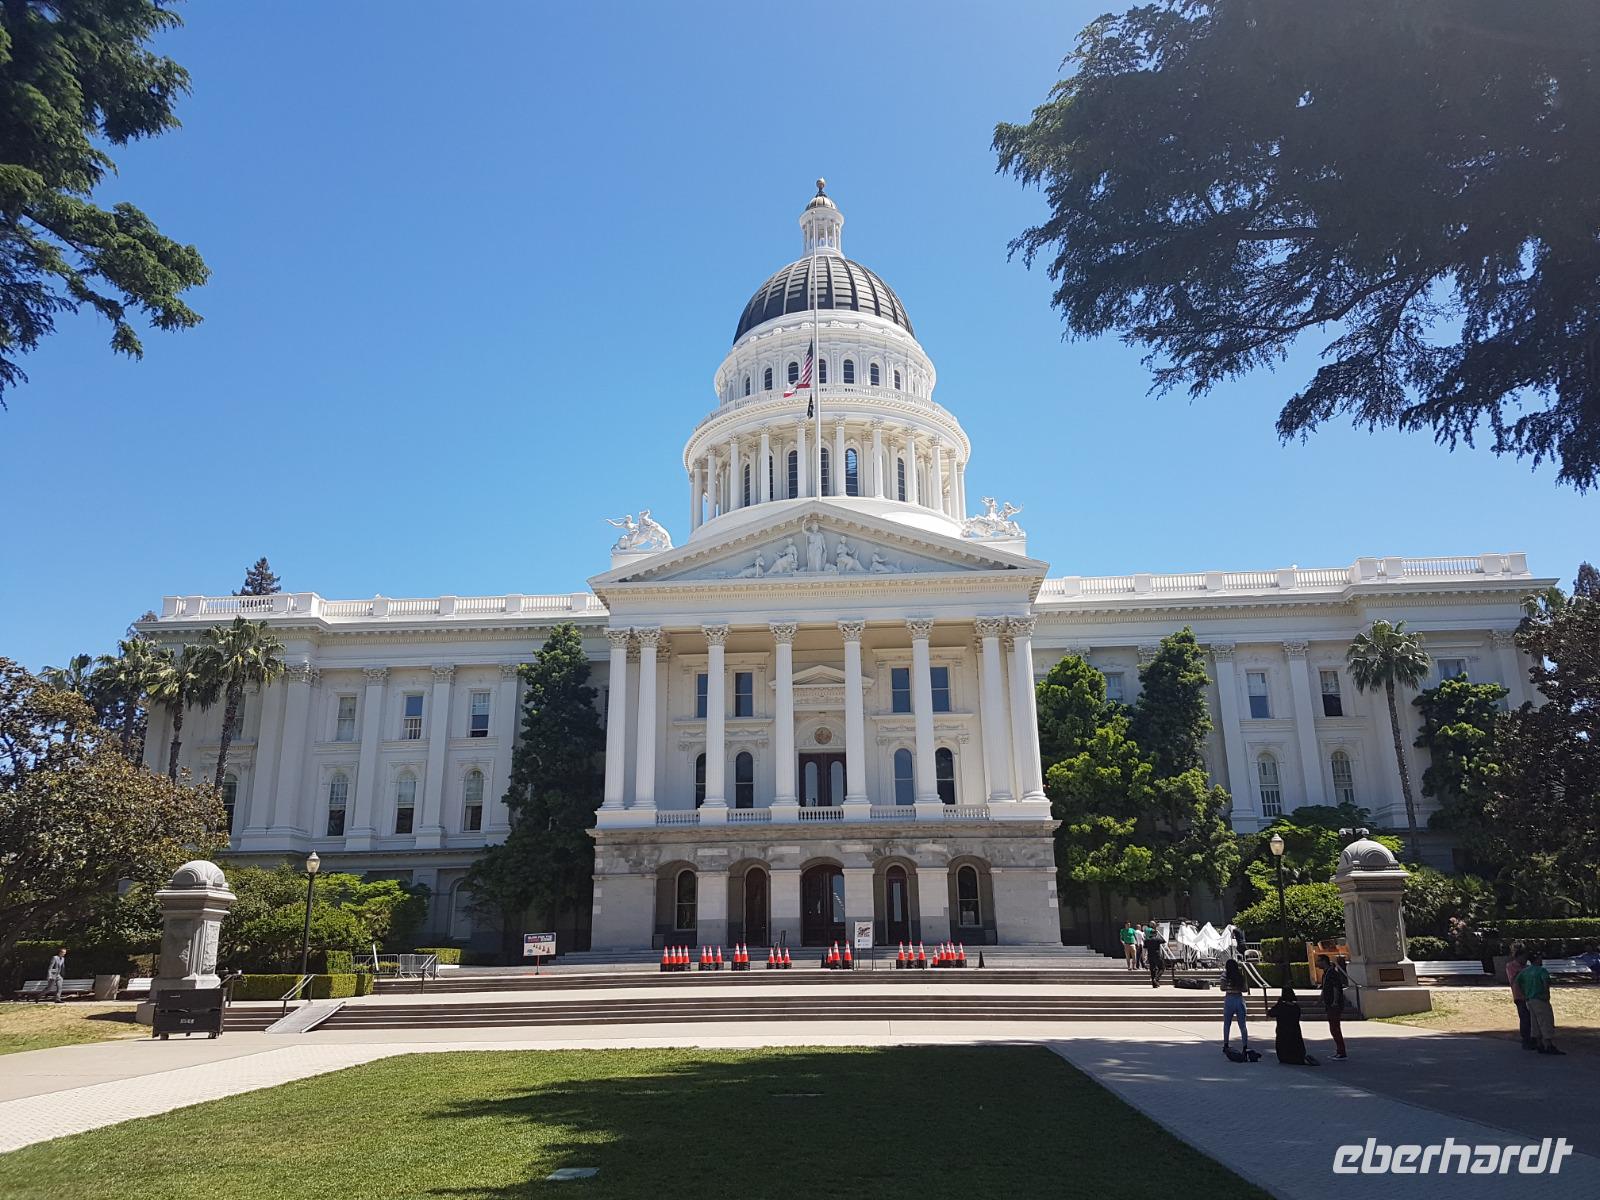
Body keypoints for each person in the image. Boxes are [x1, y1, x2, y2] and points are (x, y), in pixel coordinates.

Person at [1516, 953, 1563, 1055]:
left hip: (1530, 1000)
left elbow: (1517, 981)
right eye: (1540, 959)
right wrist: (1546, 994)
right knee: (1546, 1021)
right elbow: (1545, 982)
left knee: (1535, 1022)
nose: (1541, 961)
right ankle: (1548, 1044)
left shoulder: (1525, 971)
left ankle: (1539, 1043)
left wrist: (1524, 993)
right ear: (1536, 960)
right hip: (1540, 999)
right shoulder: (1542, 971)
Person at [1269, 987, 1318, 1065]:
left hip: (1283, 1032)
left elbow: (1270, 1013)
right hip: (1295, 1031)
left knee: (1283, 1045)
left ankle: (1287, 1058)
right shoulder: (1296, 1007)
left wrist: (1278, 1003)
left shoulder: (1281, 1007)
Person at [1318, 954, 1349, 1059]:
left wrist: (1335, 1001)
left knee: (1335, 1028)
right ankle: (1339, 1050)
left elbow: (1336, 988)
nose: (1317, 963)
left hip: (1333, 1005)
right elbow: (1324, 989)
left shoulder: (1332, 973)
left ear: (1324, 961)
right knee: (1333, 1027)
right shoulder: (1325, 974)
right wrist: (1320, 1000)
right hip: (1329, 1004)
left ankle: (1341, 1051)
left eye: (1319, 961)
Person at [1506, 941, 1534, 1050]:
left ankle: (1533, 1038)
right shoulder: (1511, 966)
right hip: (1520, 995)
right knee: (1524, 1018)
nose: (1525, 960)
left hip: (1530, 994)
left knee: (1532, 1018)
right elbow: (1513, 980)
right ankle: (1525, 1039)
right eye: (1524, 957)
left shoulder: (1527, 967)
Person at [1222, 956, 1250, 1058]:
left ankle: (1226, 1044)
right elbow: (1245, 989)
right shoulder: (1240, 976)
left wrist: (1228, 986)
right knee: (1242, 1025)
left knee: (1227, 1024)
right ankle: (1245, 1046)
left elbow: (1222, 988)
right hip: (1239, 999)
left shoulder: (1225, 975)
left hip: (1229, 999)